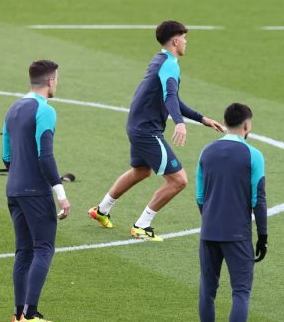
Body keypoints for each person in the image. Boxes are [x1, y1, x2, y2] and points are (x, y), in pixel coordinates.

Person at [88, 20, 222, 240]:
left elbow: (173, 97)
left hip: (137, 125)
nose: (186, 42)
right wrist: (179, 122)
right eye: (185, 38)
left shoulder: (160, 59)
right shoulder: (170, 65)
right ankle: (142, 225)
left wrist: (202, 118)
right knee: (179, 180)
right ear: (176, 40)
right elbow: (169, 96)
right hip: (146, 130)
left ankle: (101, 210)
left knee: (141, 171)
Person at [196, 103, 267, 322]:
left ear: (225, 122)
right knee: (240, 291)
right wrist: (263, 235)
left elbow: (200, 197)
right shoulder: (253, 155)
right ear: (246, 125)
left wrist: (212, 219)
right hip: (237, 234)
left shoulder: (207, 151)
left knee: (208, 289)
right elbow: (258, 199)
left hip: (209, 231)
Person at [2, 60, 70, 322]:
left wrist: (18, 175)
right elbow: (46, 155)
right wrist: (61, 194)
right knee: (43, 248)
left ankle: (19, 315)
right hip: (34, 191)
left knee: (24, 250)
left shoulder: (13, 108)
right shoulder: (45, 110)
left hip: (14, 189)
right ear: (51, 81)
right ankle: (31, 315)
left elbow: (6, 156)